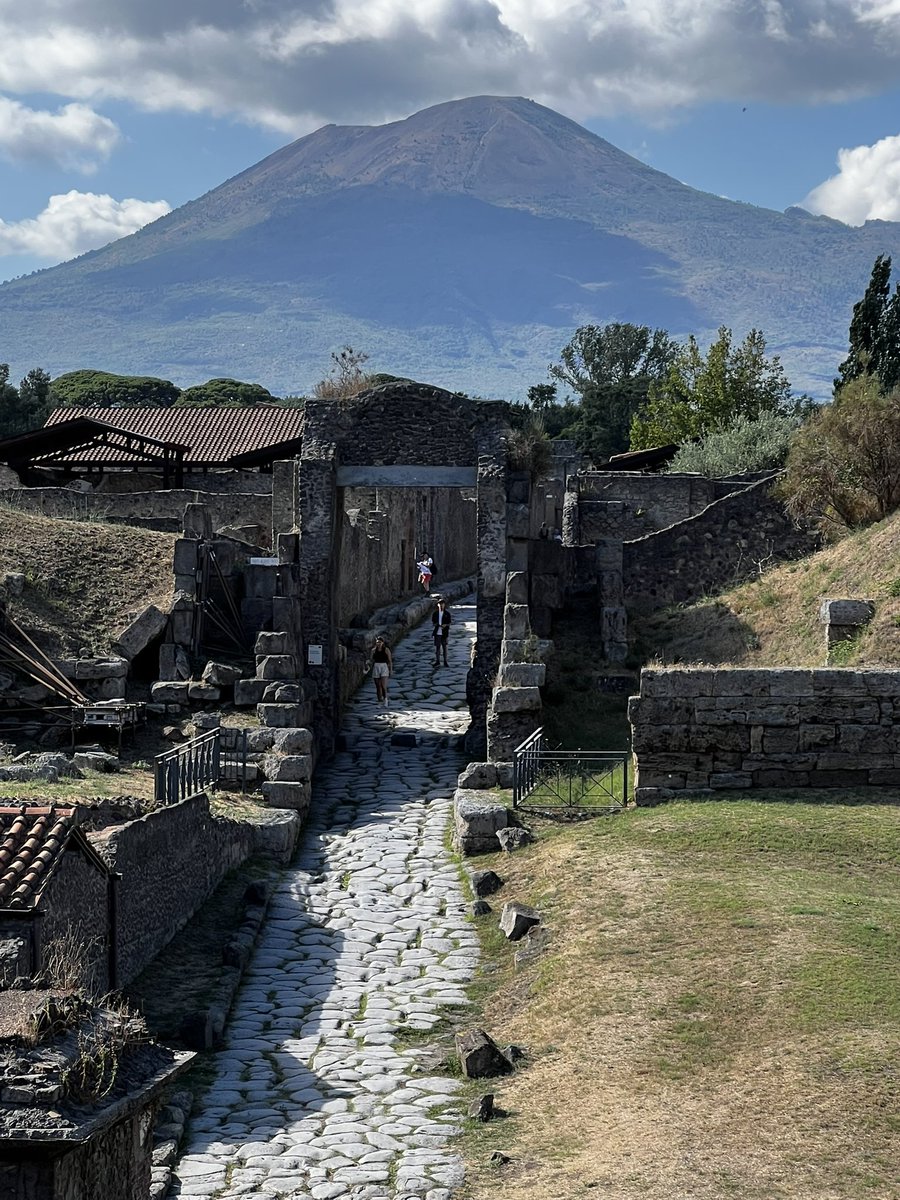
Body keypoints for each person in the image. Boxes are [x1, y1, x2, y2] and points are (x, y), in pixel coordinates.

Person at [370, 635, 393, 706]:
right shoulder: (373, 650)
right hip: (376, 666)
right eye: (377, 642)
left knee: (383, 685)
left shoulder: (386, 650)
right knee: (377, 686)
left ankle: (385, 699)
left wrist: (390, 670)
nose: (378, 644)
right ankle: (379, 701)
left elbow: (390, 661)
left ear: (382, 643)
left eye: (380, 642)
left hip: (384, 667)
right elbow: (371, 660)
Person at [431, 598, 452, 667]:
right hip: (437, 632)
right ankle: (438, 661)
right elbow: (433, 622)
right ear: (438, 605)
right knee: (437, 648)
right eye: (440, 604)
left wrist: (445, 625)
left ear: (444, 605)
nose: (441, 605)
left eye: (442, 604)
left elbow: (449, 623)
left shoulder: (447, 614)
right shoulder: (435, 614)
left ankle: (445, 661)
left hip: (444, 633)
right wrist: (436, 624)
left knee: (444, 647)